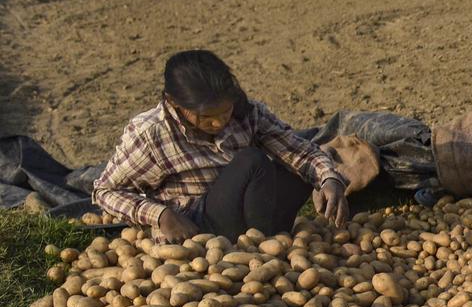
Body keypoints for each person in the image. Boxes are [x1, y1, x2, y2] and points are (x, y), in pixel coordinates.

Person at [93, 50, 349, 242]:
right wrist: (160, 216)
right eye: (206, 117)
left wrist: (329, 179)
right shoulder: (150, 134)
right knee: (252, 161)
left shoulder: (247, 112)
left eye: (225, 111)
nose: (218, 122)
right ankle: (262, 246)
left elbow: (297, 150)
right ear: (174, 103)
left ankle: (265, 244)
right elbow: (104, 191)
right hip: (196, 228)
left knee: (302, 167)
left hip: (249, 211)